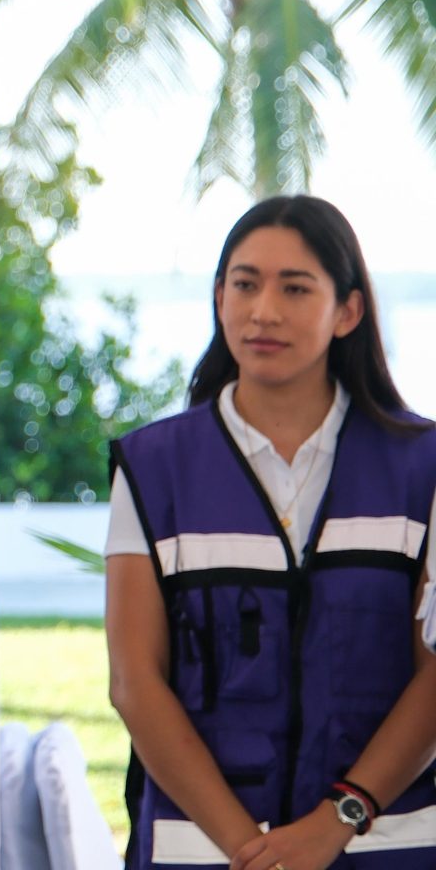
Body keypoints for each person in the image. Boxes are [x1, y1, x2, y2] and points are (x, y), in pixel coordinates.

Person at [105, 196, 436, 870]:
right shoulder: (151, 468)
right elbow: (135, 681)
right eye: (245, 283)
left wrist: (339, 818)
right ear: (218, 297)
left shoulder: (422, 467)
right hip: (204, 850)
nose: (263, 311)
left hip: (387, 845)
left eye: (295, 288)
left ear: (348, 311)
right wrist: (255, 852)